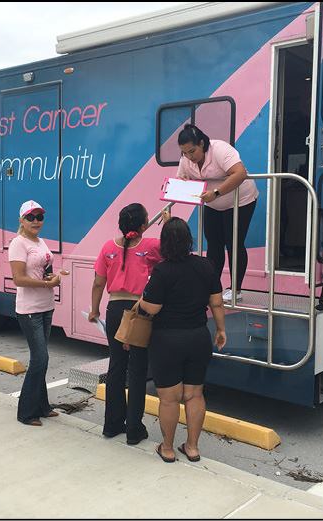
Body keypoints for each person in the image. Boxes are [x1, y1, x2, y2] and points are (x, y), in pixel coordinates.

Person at [139, 217, 226, 463]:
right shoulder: (205, 265)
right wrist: (221, 329)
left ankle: (166, 448)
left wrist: (141, 301)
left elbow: (152, 308)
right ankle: (193, 447)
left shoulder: (162, 271)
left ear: (164, 243)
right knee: (195, 395)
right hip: (198, 337)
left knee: (169, 398)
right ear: (189, 240)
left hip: (167, 340)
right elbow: (216, 301)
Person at [89, 203, 170, 445]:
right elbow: (172, 250)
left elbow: (98, 283)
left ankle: (112, 424)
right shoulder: (150, 246)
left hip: (114, 309)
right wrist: (167, 223)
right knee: (137, 369)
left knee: (116, 366)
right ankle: (134, 429)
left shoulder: (107, 247)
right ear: (144, 225)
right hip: (138, 312)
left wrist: (94, 310)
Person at [177, 124, 259, 302]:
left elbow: (240, 173)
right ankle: (213, 287)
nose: (189, 157)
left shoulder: (220, 149)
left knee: (234, 243)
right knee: (214, 245)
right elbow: (182, 178)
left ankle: (236, 289)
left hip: (240, 200)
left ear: (201, 143)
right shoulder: (186, 159)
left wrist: (215, 193)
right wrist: (181, 184)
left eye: (192, 151)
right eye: (185, 153)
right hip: (213, 204)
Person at [9, 200, 62, 426]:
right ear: (21, 219)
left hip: (46, 307)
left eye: (40, 217)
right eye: (31, 217)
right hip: (29, 310)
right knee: (40, 358)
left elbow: (44, 272)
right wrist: (47, 285)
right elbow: (18, 279)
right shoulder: (18, 244)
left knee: (42, 359)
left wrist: (54, 278)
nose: (36, 221)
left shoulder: (41, 242)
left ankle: (42, 406)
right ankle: (26, 412)